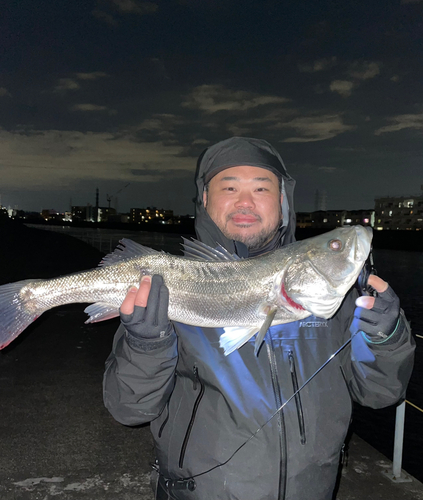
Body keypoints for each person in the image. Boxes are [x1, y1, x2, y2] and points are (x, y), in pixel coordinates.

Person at [103, 137, 415, 500]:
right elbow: (128, 408)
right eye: (230, 187)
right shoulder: (169, 289)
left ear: (283, 200)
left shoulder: (341, 301)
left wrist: (386, 337)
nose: (245, 202)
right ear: (205, 199)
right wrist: (146, 342)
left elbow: (381, 394)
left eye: (262, 188)